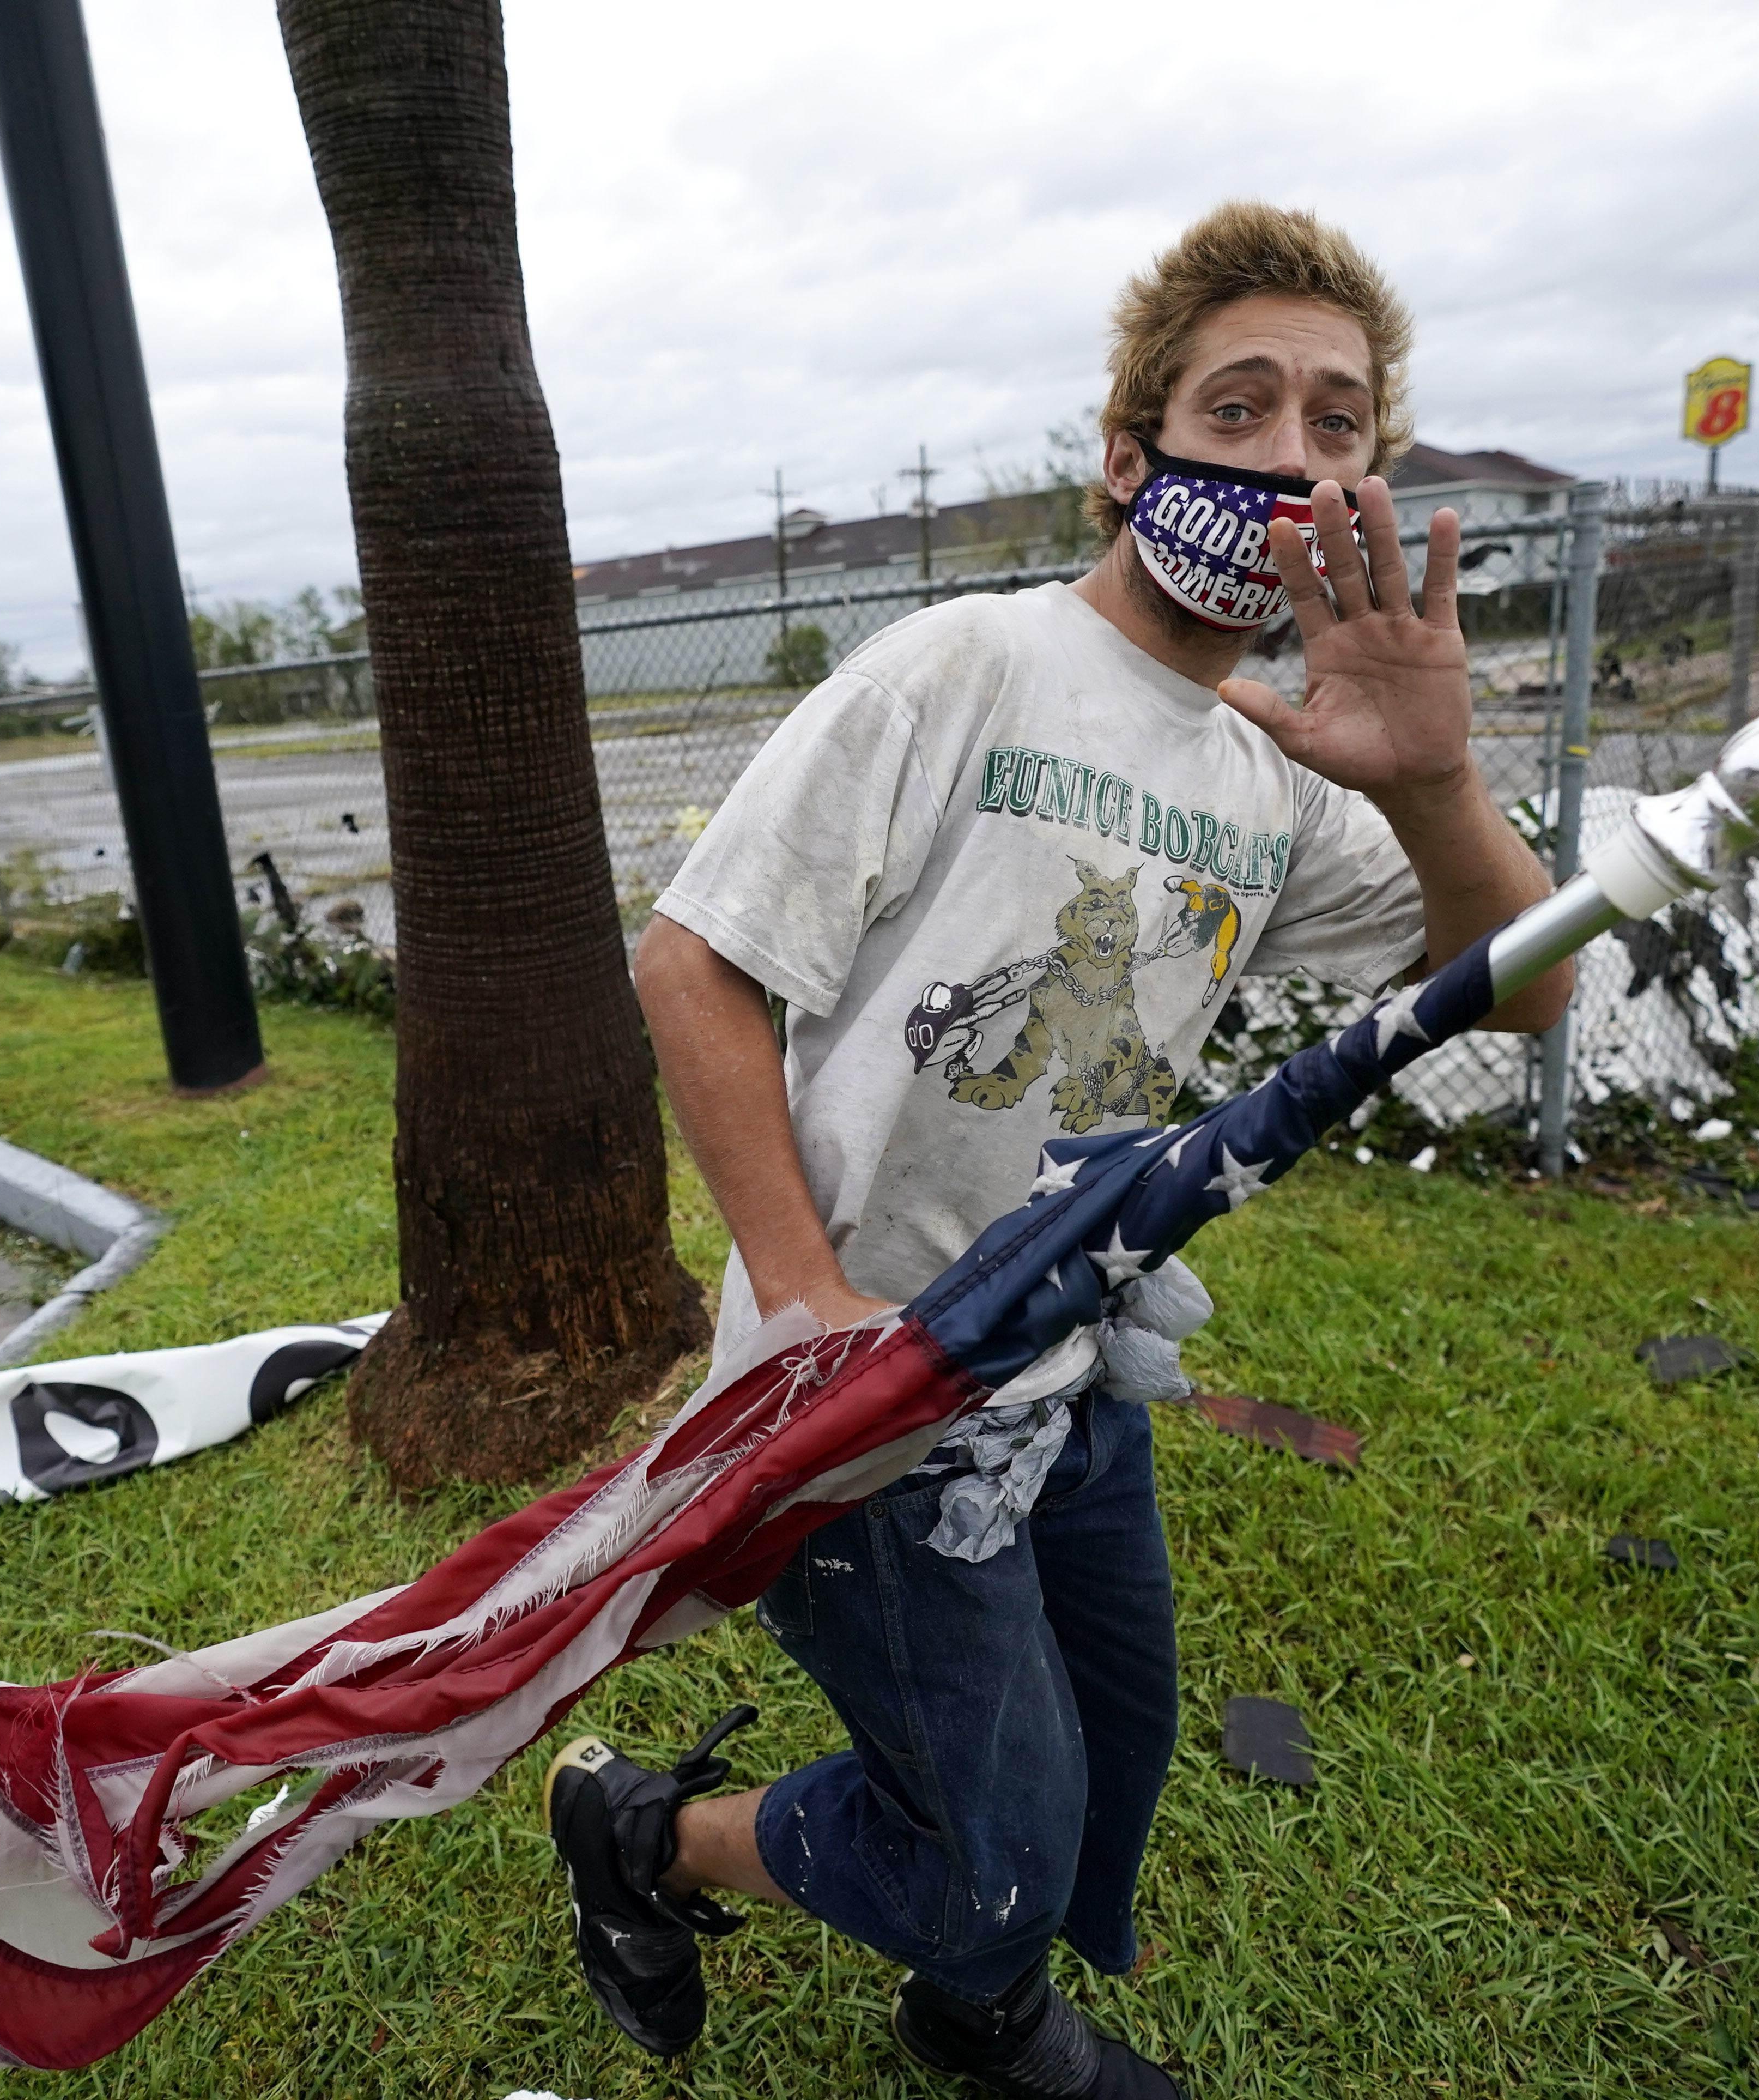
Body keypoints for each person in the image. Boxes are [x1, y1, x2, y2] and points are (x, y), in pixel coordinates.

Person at [545, 200, 1572, 2098]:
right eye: (1238, 405)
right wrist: (802, 1304)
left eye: (1337, 423)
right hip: (861, 1390)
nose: (1286, 455)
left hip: (1067, 1363)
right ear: (1131, 452)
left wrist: (1432, 774)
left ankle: (970, 1986)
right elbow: (693, 961)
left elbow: (1512, 991)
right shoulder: (964, 668)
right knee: (997, 1837)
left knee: (1108, 1747)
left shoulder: (1281, 764)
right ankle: (652, 1842)